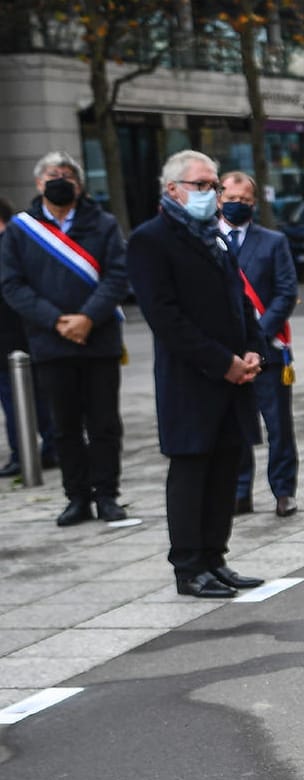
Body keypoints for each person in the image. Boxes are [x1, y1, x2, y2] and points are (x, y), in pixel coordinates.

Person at [128, 150, 265, 599]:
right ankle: (189, 566)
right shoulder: (151, 240)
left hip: (232, 374)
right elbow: (165, 318)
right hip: (192, 380)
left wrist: (251, 350)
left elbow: (239, 301)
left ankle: (215, 558)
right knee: (192, 472)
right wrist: (221, 361)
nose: (214, 194)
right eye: (203, 186)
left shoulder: (214, 236)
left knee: (226, 467)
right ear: (174, 190)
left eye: (215, 186)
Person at [0, 151, 128, 524]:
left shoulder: (102, 223)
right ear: (39, 183)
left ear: (80, 184)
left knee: (104, 424)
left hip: (99, 338)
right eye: (53, 175)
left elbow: (117, 277)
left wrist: (88, 317)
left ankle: (107, 495)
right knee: (64, 425)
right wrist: (57, 321)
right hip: (50, 342)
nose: (61, 180)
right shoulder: (22, 231)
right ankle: (77, 497)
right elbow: (12, 284)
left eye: (68, 175)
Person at [221, 171, 300, 519]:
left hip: (267, 350)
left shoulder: (273, 241)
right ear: (218, 198)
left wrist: (257, 335)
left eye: (244, 200)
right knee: (236, 426)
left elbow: (286, 291)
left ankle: (283, 491)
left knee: (278, 427)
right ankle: (239, 492)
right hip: (227, 354)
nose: (237, 205)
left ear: (254, 203)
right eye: (231, 199)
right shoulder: (207, 239)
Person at [0, 198, 58, 479]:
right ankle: (45, 448)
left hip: (13, 337)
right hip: (24, 334)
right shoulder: (20, 240)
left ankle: (24, 454)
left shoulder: (9, 243)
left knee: (17, 398)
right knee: (35, 396)